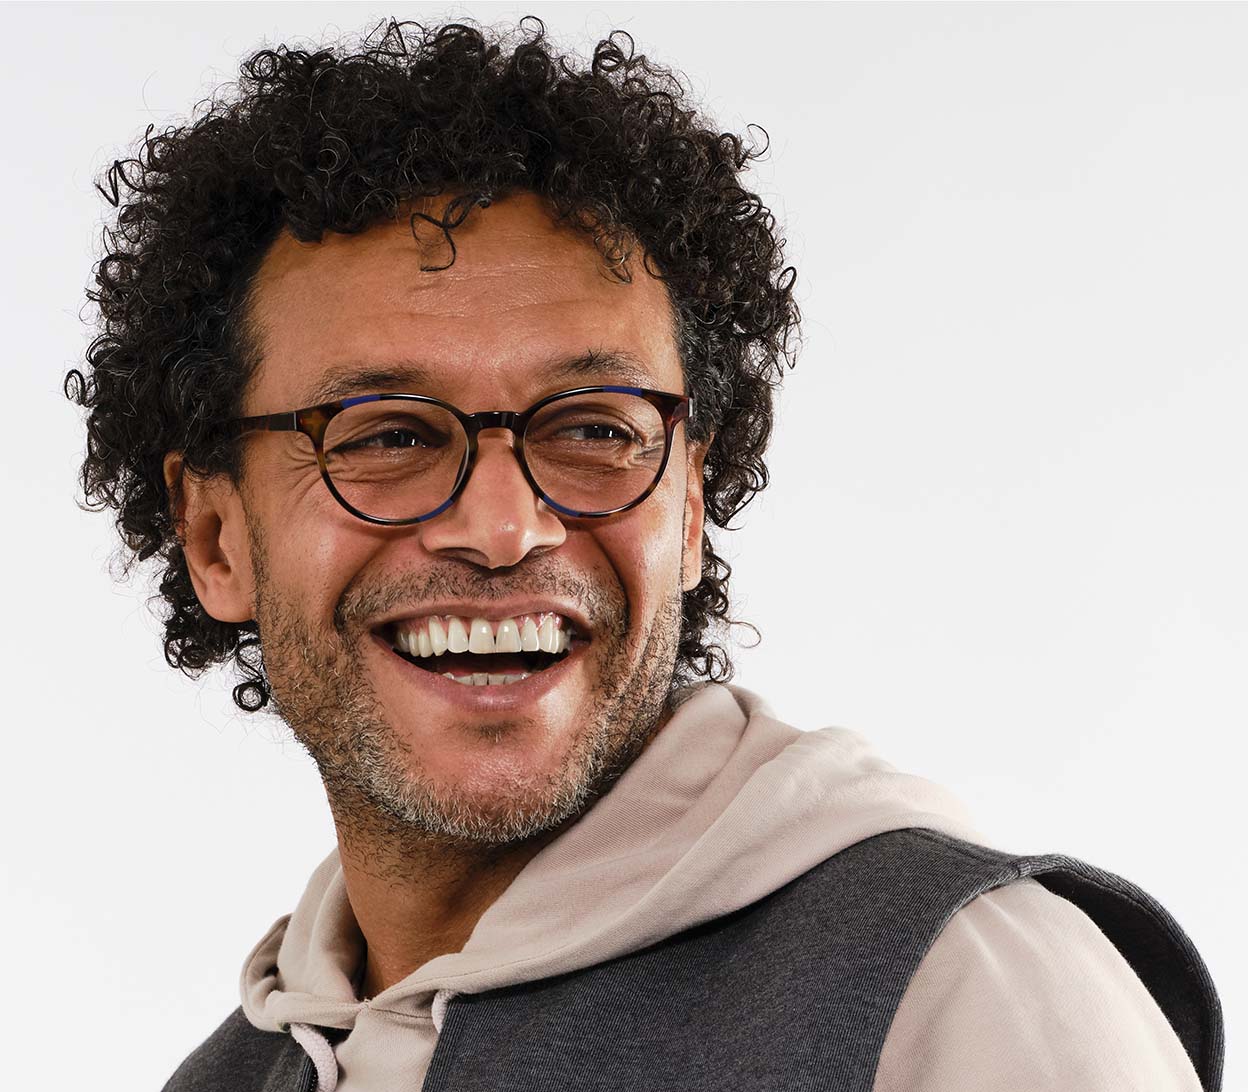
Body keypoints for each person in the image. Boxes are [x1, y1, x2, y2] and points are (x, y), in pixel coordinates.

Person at [67, 18, 1223, 1092]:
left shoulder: (961, 991)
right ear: (217, 538)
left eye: (593, 430)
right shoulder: (234, 1074)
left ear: (689, 511)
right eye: (389, 437)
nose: (505, 526)